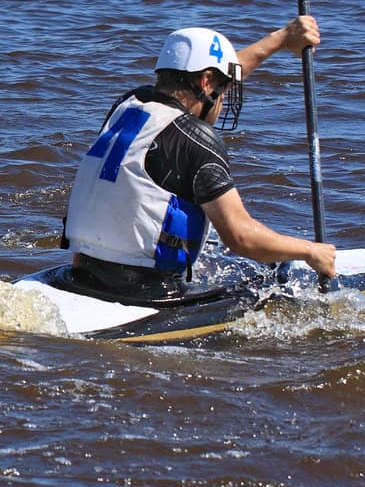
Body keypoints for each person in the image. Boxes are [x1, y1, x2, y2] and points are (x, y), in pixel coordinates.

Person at [61, 18, 336, 300]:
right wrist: (310, 251)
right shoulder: (196, 138)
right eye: (221, 89)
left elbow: (220, 74)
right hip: (143, 292)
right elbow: (240, 237)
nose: (222, 100)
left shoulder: (128, 104)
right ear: (205, 81)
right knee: (269, 280)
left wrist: (282, 38)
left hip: (82, 275)